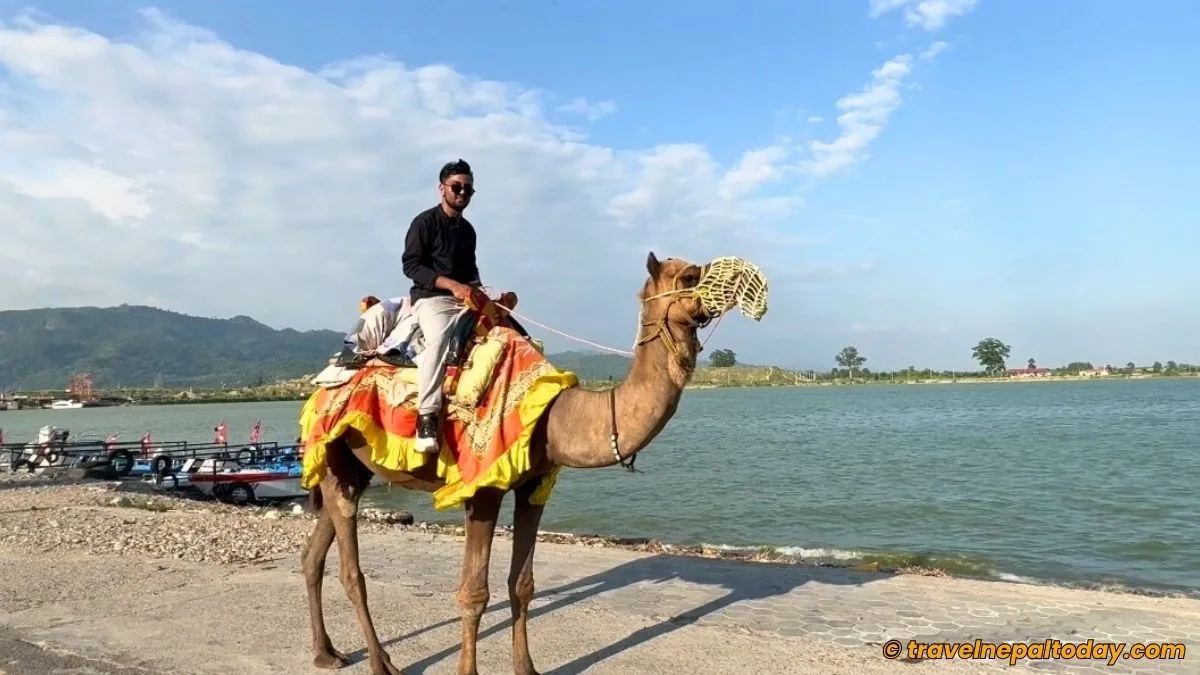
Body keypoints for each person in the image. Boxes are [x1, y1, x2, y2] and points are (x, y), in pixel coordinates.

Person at [401, 159, 516, 453]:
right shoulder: (424, 223)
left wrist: (486, 295)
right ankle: (426, 416)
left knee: (511, 332)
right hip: (432, 298)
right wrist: (451, 285)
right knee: (439, 340)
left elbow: (470, 271)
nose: (462, 193)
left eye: (468, 189)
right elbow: (411, 265)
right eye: (456, 187)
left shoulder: (468, 231)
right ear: (442, 189)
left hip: (465, 297)